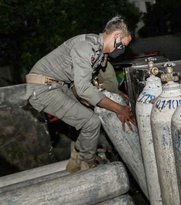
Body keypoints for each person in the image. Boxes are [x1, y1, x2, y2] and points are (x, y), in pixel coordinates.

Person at [25, 16, 136, 173]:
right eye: (123, 45)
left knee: (86, 119)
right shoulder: (86, 47)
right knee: (91, 122)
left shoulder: (98, 53)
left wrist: (112, 95)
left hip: (58, 86)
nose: (122, 50)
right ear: (117, 35)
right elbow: (83, 88)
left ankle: (77, 160)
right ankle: (87, 162)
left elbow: (80, 87)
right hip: (43, 88)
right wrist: (119, 109)